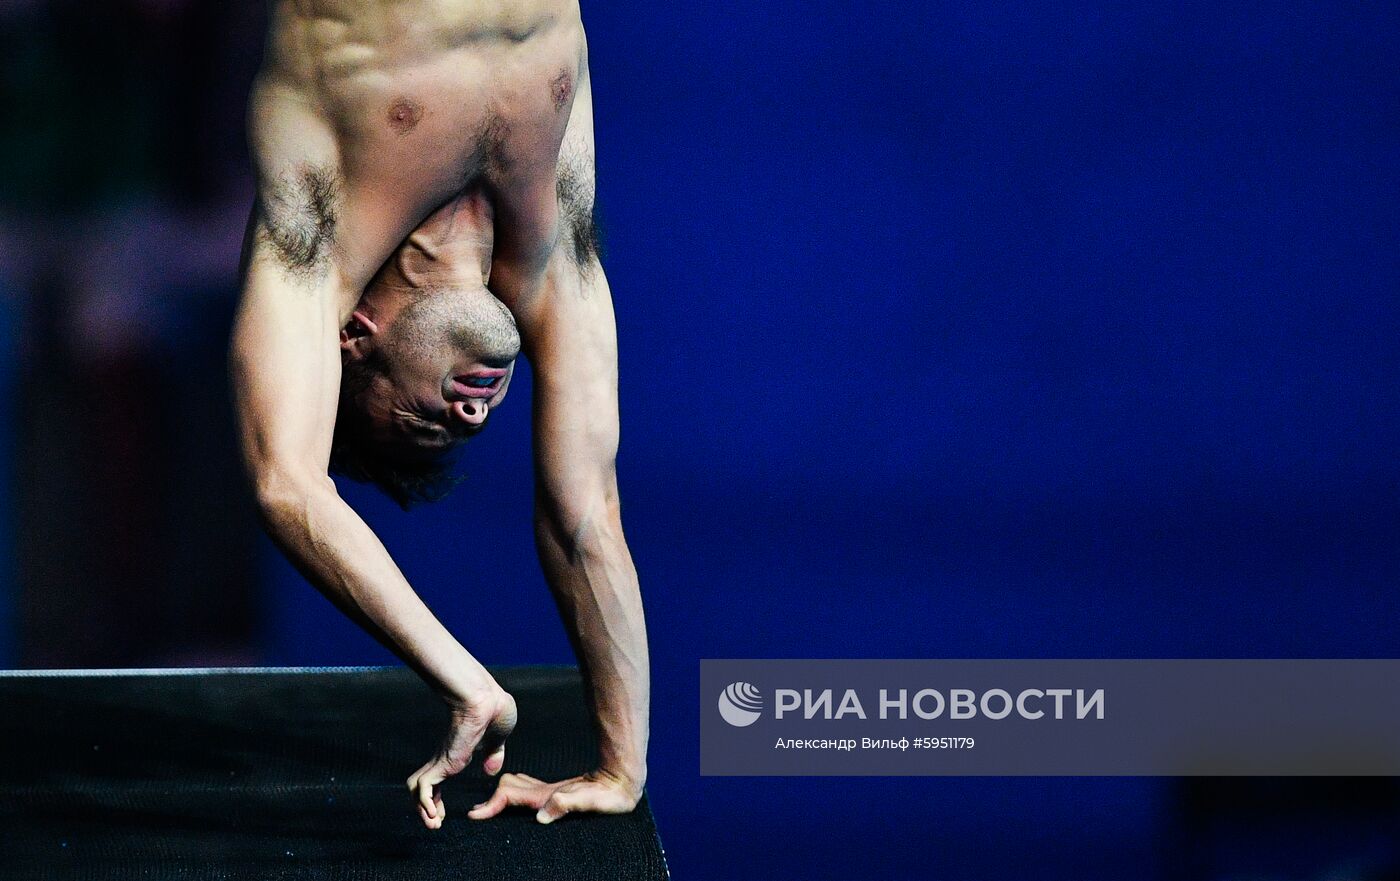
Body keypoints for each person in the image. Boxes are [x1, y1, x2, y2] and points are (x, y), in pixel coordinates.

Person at [230, 0, 648, 829]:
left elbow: (288, 483)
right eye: (461, 433)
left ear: (353, 338)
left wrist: (457, 679)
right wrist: (621, 765)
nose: (477, 418)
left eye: (423, 422)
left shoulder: (313, 223)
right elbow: (584, 511)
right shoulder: (548, 252)